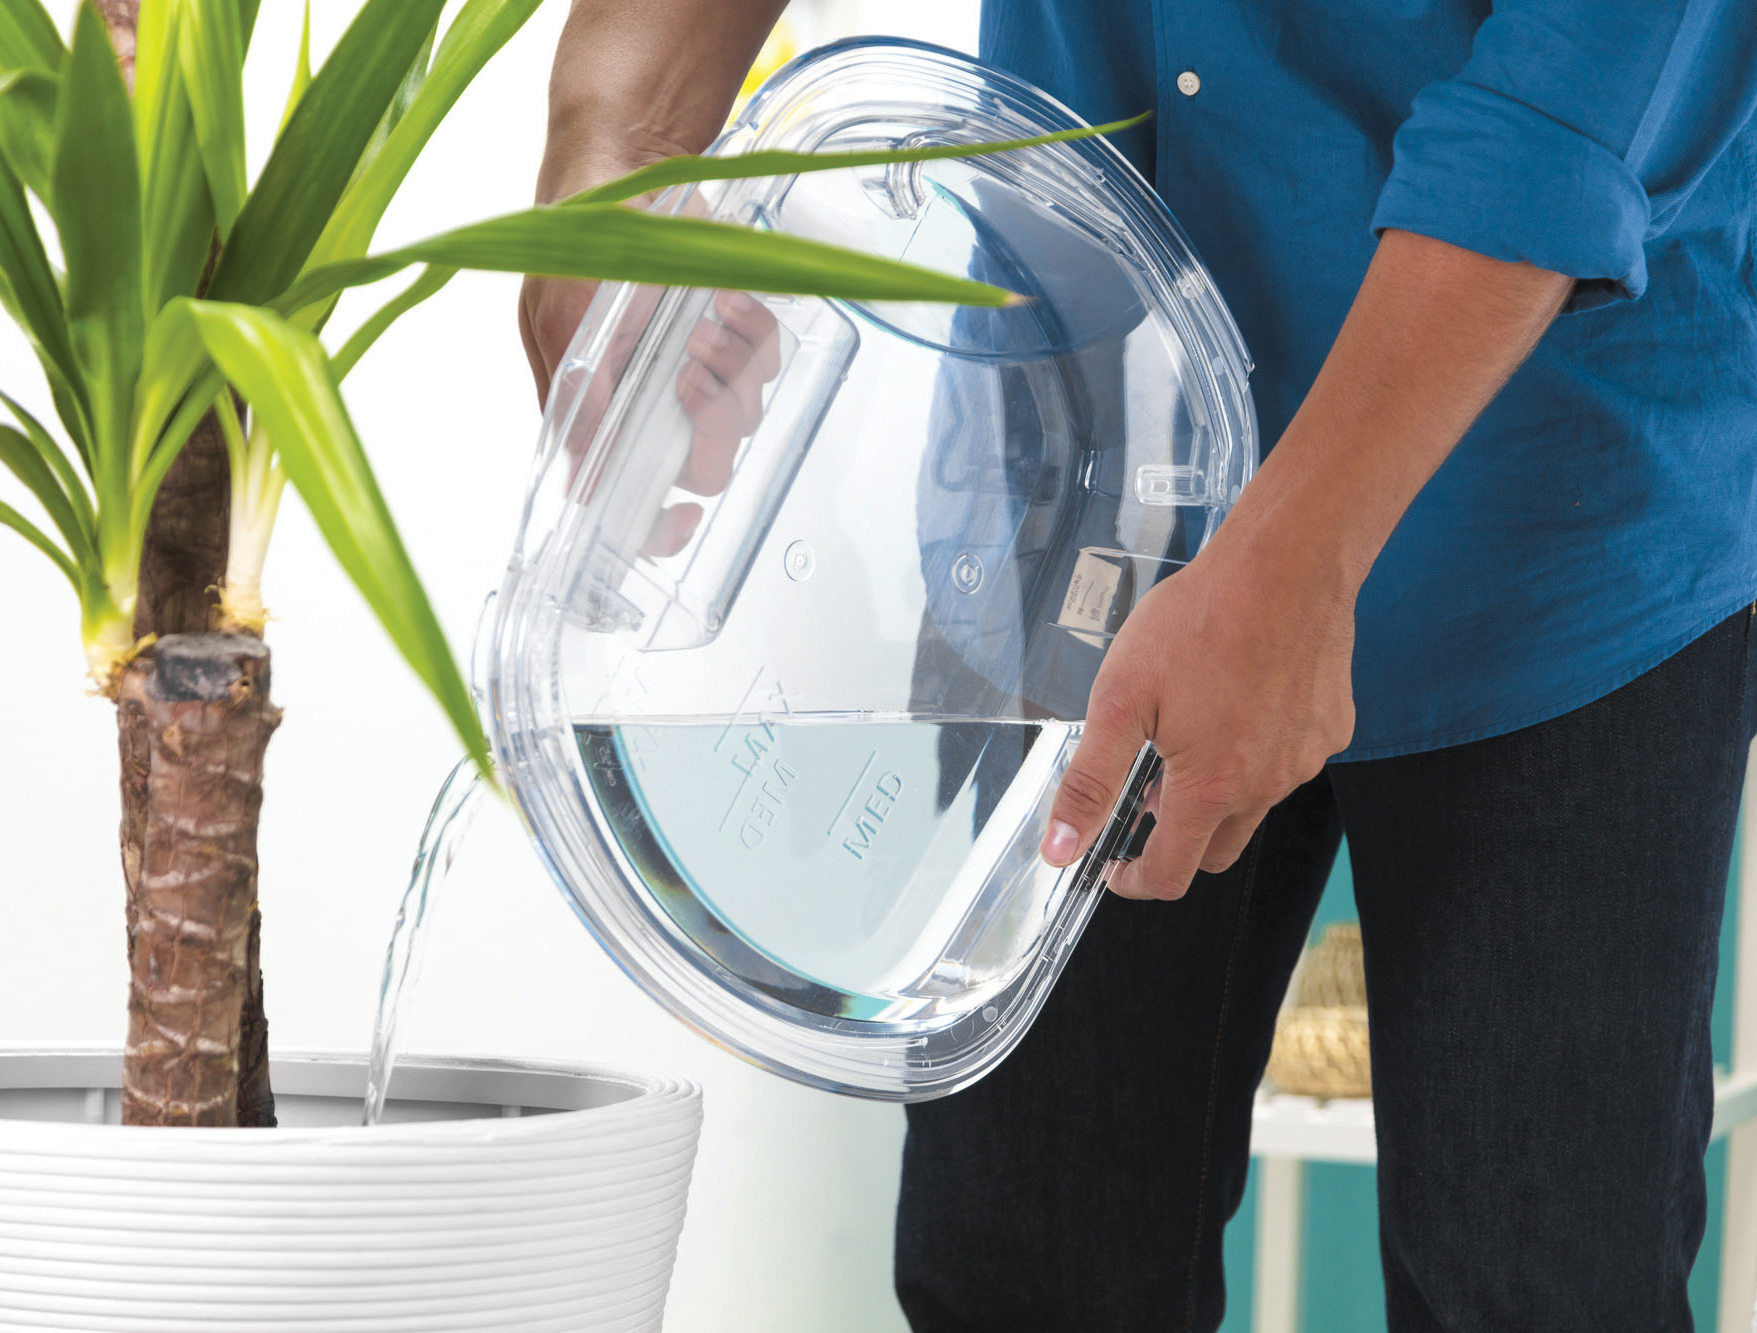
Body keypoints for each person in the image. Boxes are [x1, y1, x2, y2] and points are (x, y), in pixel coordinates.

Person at [520, 1, 1757, 1327]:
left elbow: (1584, 75)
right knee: (1025, 1271)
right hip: (1074, 465)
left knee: (1530, 1279)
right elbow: (636, 104)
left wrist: (1297, 555)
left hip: (1543, 482)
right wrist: (618, 150)